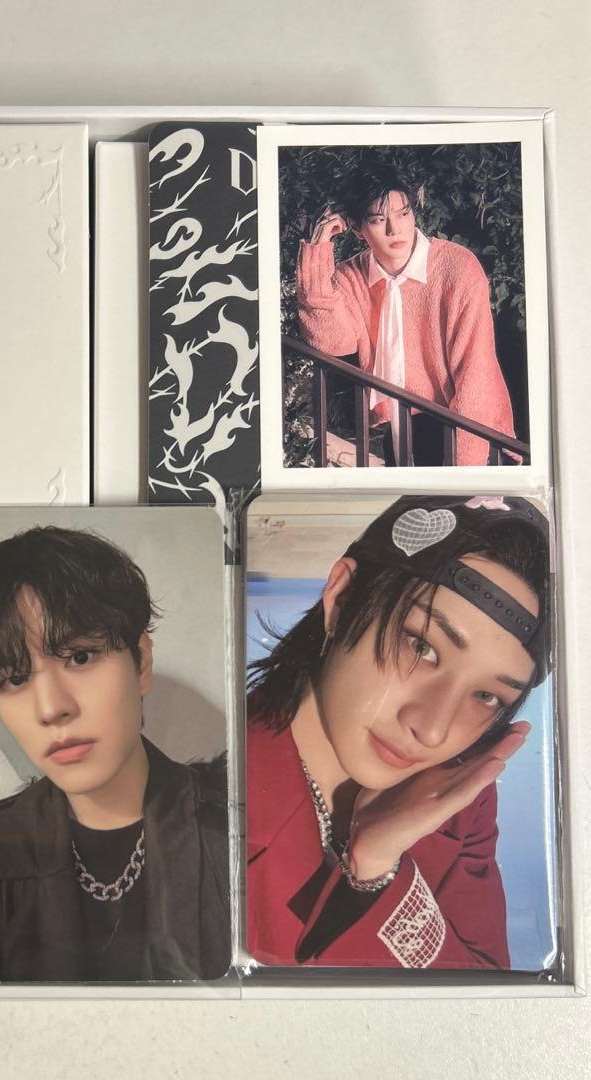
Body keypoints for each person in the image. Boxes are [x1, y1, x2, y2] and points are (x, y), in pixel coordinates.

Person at [246, 495, 550, 968]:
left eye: (487, 696)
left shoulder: (455, 798)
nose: (432, 730)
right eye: (422, 646)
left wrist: (376, 871)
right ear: (342, 599)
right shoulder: (205, 786)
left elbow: (486, 993)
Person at [0, 526, 230, 982]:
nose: (51, 708)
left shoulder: (238, 836)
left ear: (141, 662)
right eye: (14, 678)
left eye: (80, 658)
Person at [295, 160, 517, 467]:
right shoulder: (352, 276)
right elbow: (332, 341)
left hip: (471, 431)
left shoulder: (457, 267)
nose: (395, 229)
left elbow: (475, 375)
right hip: (403, 431)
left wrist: (466, 473)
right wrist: (318, 248)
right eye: (378, 220)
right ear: (357, 229)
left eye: (403, 213)